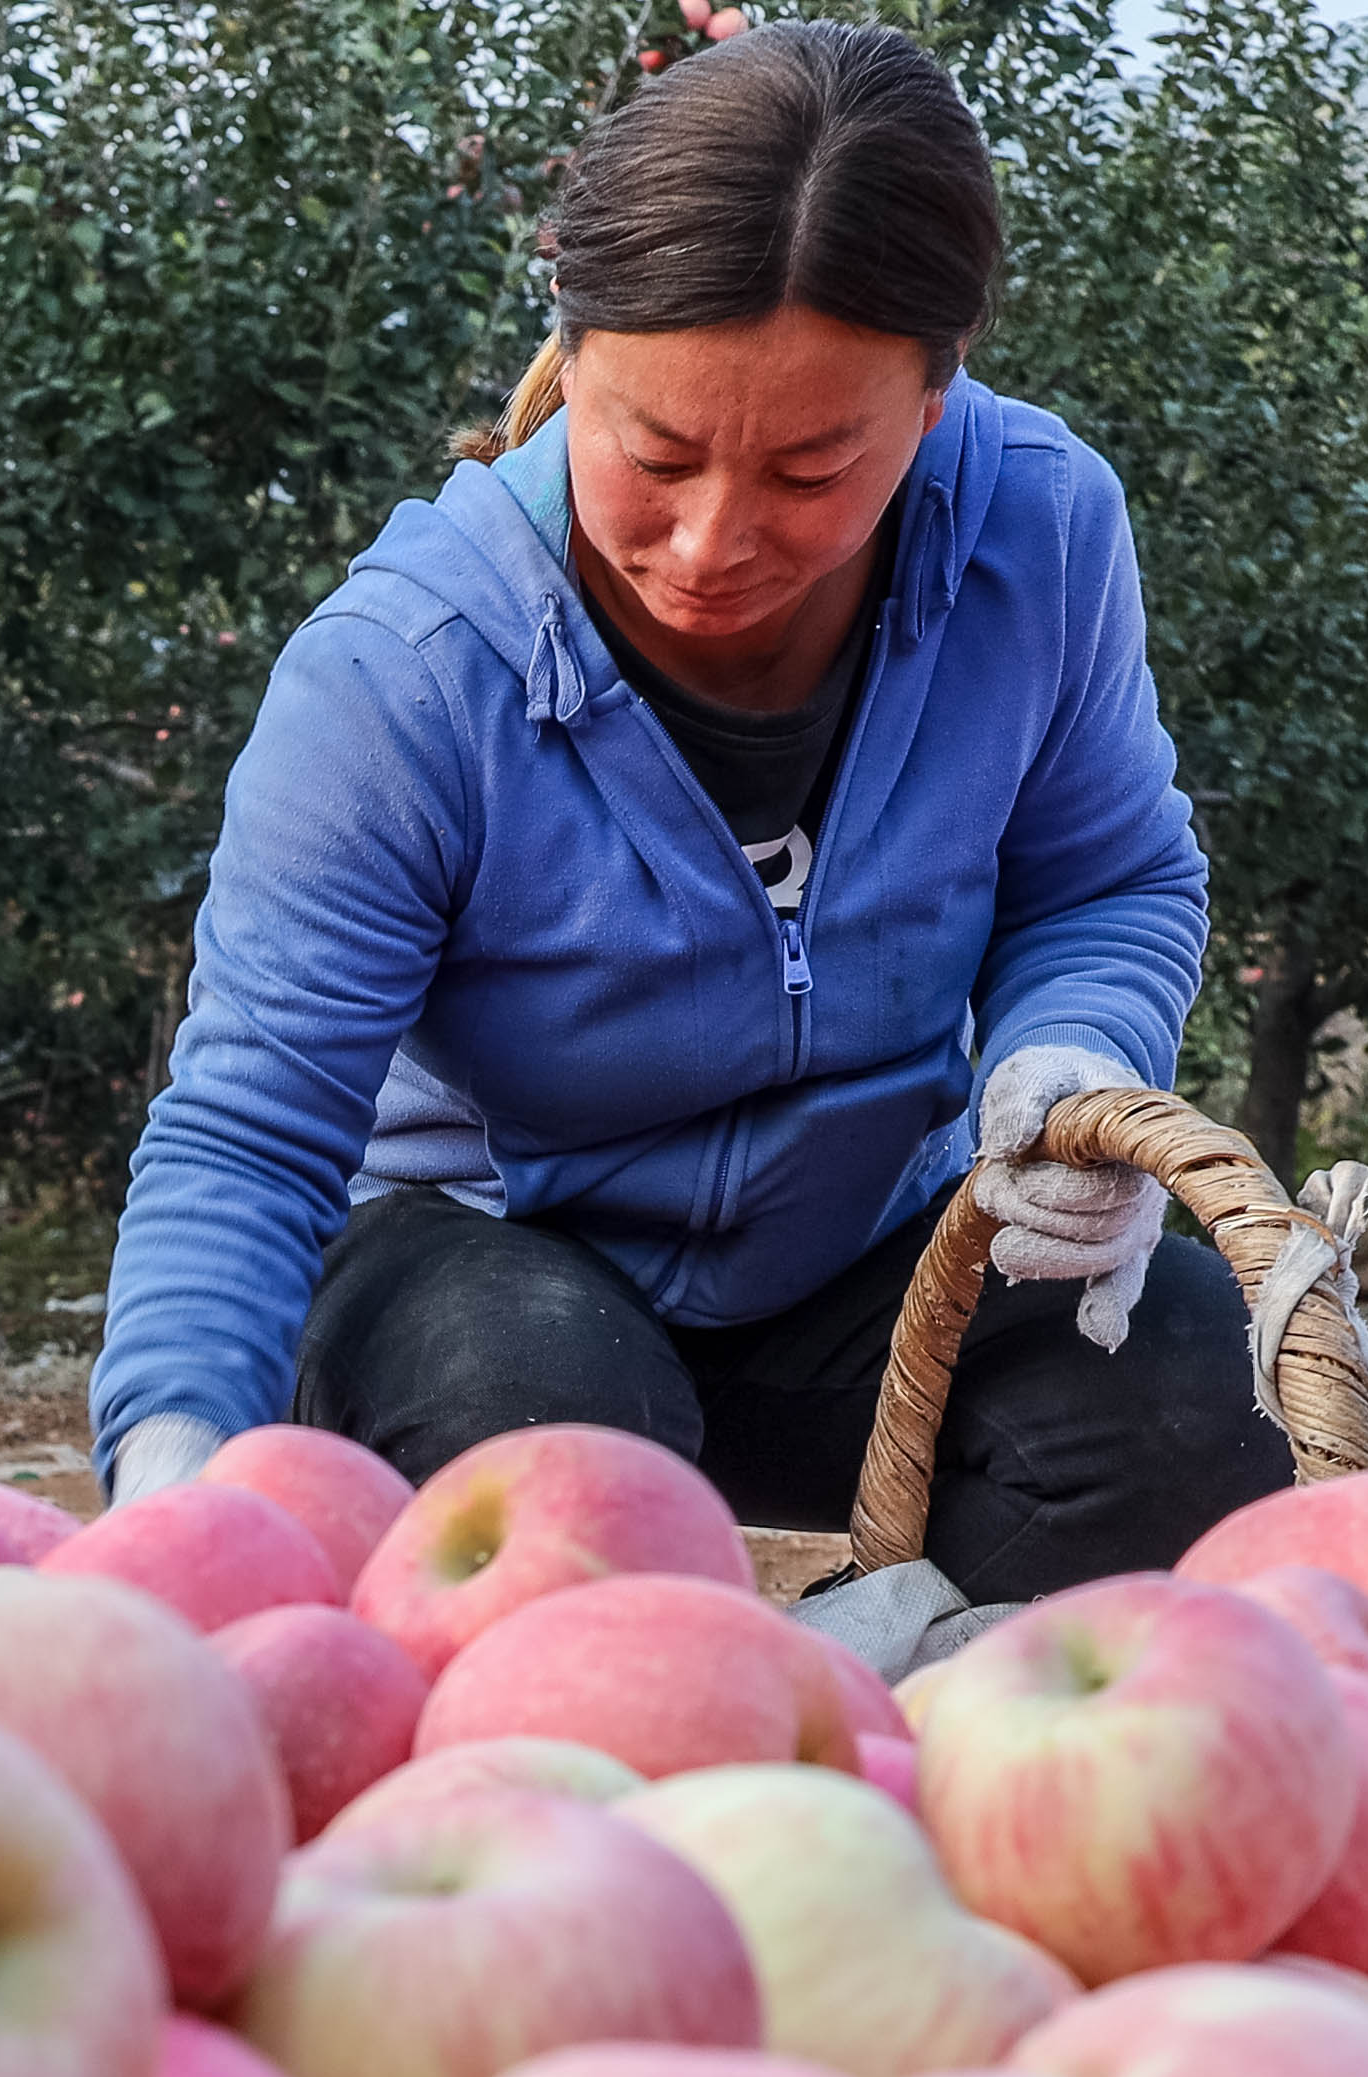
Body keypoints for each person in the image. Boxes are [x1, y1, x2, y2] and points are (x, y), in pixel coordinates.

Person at [87, 23, 1283, 1610]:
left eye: (809, 471)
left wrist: (1068, 1055)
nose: (712, 542)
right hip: (481, 1275)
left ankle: (910, 1731)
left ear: (934, 398)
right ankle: (602, 1762)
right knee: (553, 1441)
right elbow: (251, 1127)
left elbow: (1109, 880)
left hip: (871, 1262)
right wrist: (173, 1471)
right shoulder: (408, 676)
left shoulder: (1038, 535)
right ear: (570, 359)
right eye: (651, 453)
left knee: (1208, 1401)